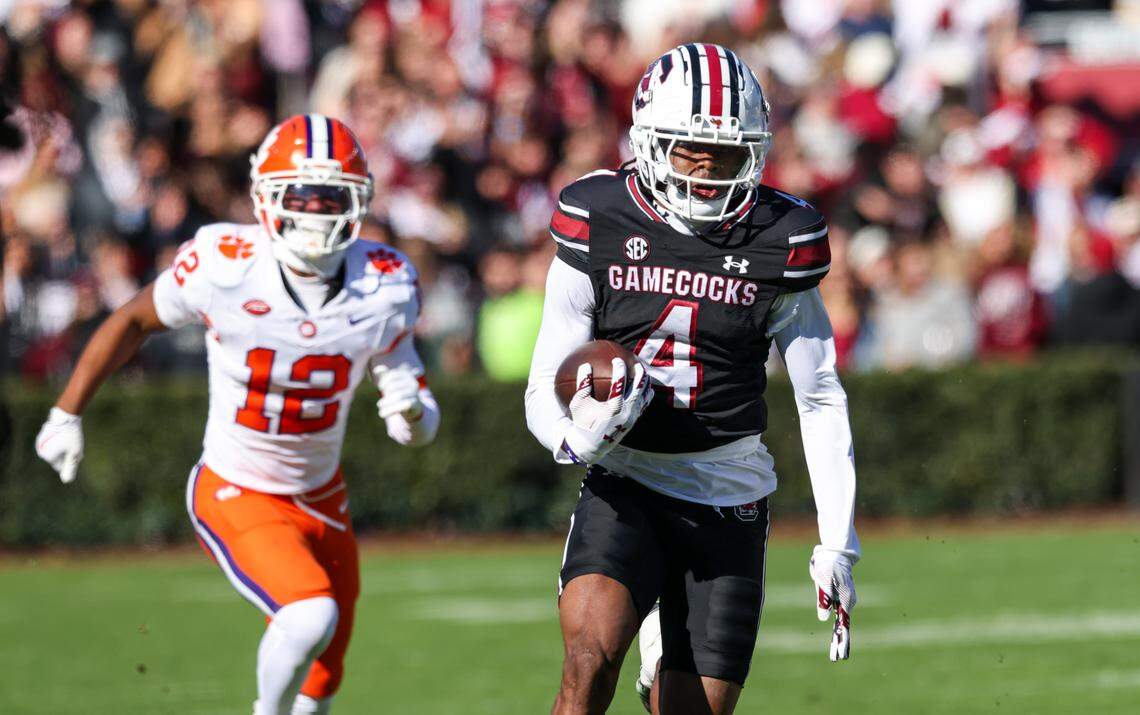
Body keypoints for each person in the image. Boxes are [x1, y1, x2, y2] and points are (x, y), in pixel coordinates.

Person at [34, 115, 439, 715]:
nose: (315, 213)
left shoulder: (385, 282)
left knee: (325, 677)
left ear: (359, 201)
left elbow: (417, 414)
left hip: (322, 496)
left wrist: (410, 413)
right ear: (265, 197)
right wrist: (67, 411)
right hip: (236, 486)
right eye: (300, 196)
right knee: (308, 616)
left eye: (331, 198)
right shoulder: (224, 263)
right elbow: (133, 319)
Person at [525, 44, 860, 715]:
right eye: (689, 153)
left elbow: (819, 394)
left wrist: (837, 541)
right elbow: (545, 379)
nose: (708, 174)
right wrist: (572, 441)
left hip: (727, 490)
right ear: (650, 144)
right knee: (587, 663)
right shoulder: (600, 217)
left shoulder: (780, 239)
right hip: (626, 479)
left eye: (727, 156)